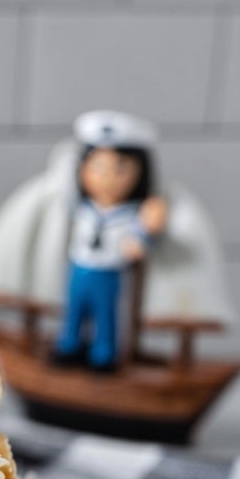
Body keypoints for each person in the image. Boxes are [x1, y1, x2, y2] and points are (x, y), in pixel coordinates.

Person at [52, 110, 167, 373]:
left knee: (106, 315)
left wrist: (147, 232)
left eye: (121, 169)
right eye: (97, 166)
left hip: (108, 273)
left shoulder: (130, 215)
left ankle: (103, 352)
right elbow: (63, 191)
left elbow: (140, 239)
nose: (106, 177)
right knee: (73, 310)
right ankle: (69, 344)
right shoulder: (83, 209)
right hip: (79, 268)